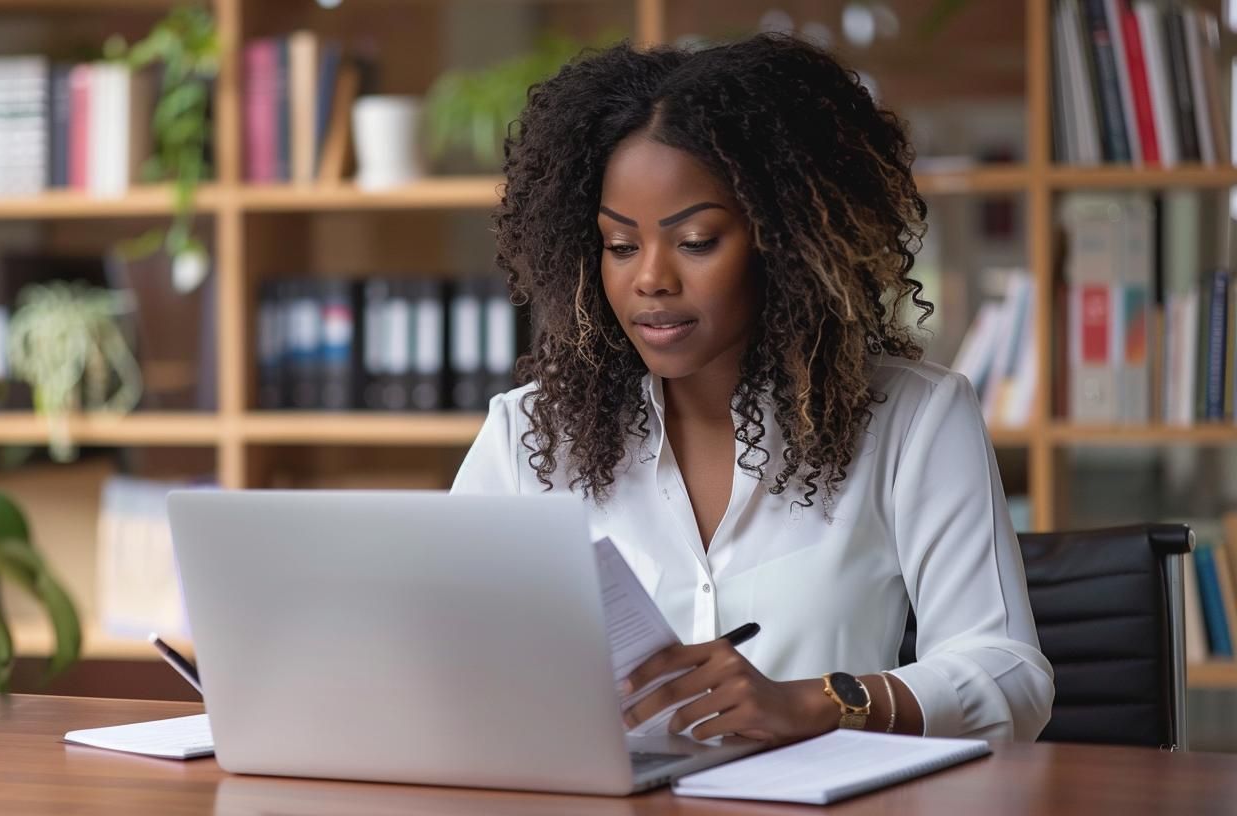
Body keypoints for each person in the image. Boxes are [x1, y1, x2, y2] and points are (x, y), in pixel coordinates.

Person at [450, 34, 1054, 745]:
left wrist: (821, 702)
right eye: (620, 246)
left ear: (784, 240)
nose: (650, 279)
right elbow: (441, 650)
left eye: (697, 240)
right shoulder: (530, 437)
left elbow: (1011, 676)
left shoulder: (913, 420)